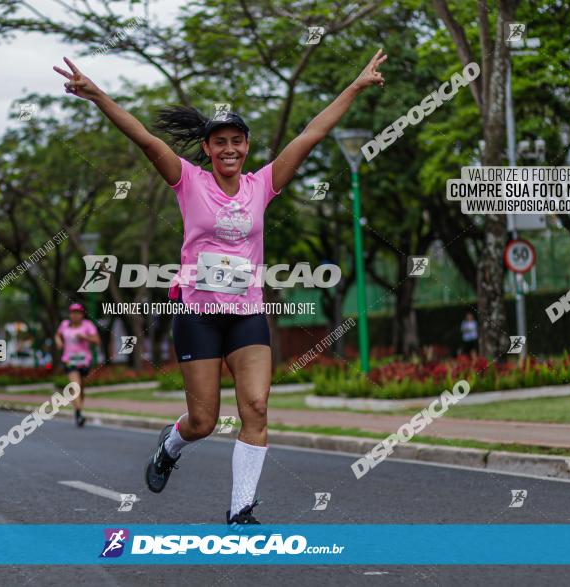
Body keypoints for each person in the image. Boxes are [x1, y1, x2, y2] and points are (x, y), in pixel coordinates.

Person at [54, 48, 387, 524]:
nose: (229, 149)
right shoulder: (188, 181)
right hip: (198, 315)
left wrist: (354, 86)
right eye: (220, 142)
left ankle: (240, 510)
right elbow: (145, 139)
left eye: (237, 141)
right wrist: (96, 95)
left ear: (246, 146)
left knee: (255, 405)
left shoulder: (262, 185)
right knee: (204, 421)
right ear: (207, 149)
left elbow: (312, 134)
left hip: (248, 313)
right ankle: (170, 446)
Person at [54, 303, 99, 427]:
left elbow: (97, 341)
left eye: (78, 313)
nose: (75, 315)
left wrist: (85, 337)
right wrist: (58, 342)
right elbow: (57, 334)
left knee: (81, 389)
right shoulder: (64, 325)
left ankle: (77, 410)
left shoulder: (87, 325)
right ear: (70, 314)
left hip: (84, 360)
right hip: (69, 360)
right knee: (75, 386)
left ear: (82, 315)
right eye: (73, 312)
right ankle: (79, 414)